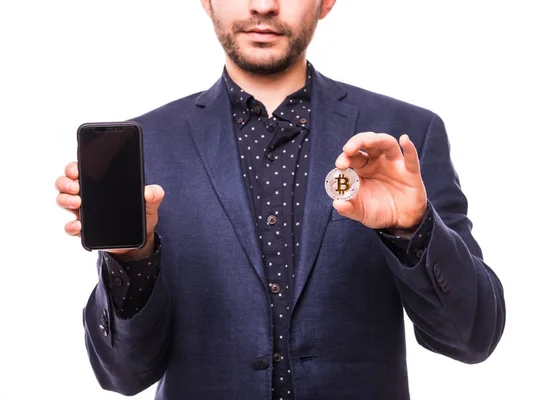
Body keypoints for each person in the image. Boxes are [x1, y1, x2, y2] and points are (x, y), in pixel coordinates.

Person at [55, 1, 506, 399]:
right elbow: (122, 376)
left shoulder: (406, 136)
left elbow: (472, 339)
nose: (263, 5)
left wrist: (413, 229)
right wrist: (133, 256)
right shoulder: (147, 145)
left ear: (325, 2)